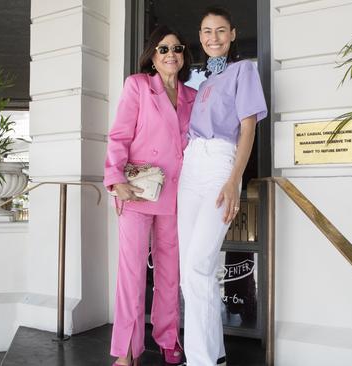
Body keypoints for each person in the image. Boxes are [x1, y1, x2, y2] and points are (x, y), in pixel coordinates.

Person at [178, 7, 268, 366]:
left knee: (198, 266)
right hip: (190, 168)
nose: (212, 37)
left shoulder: (242, 71)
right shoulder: (202, 82)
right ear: (199, 37)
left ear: (232, 34)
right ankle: (213, 355)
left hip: (219, 163)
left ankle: (200, 360)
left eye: (219, 30)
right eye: (205, 31)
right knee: (191, 270)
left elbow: (248, 128)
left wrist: (235, 180)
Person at [103, 25, 197, 366]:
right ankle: (126, 349)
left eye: (177, 48)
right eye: (163, 49)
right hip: (138, 192)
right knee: (131, 273)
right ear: (152, 58)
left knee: (170, 274)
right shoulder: (139, 86)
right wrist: (115, 178)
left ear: (183, 55)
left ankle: (169, 340)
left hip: (176, 196)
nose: (171, 53)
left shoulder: (192, 96)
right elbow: (119, 135)